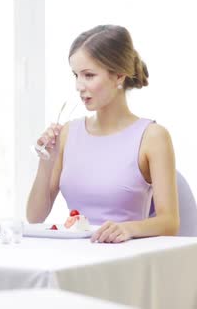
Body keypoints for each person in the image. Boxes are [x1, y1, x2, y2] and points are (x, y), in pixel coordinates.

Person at [26, 25, 179, 243]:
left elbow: (170, 222)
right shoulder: (68, 133)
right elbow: (34, 217)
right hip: (76, 256)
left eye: (88, 75)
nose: (79, 86)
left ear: (119, 76)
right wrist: (45, 160)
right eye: (76, 75)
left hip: (124, 257)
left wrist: (128, 229)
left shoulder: (153, 137)